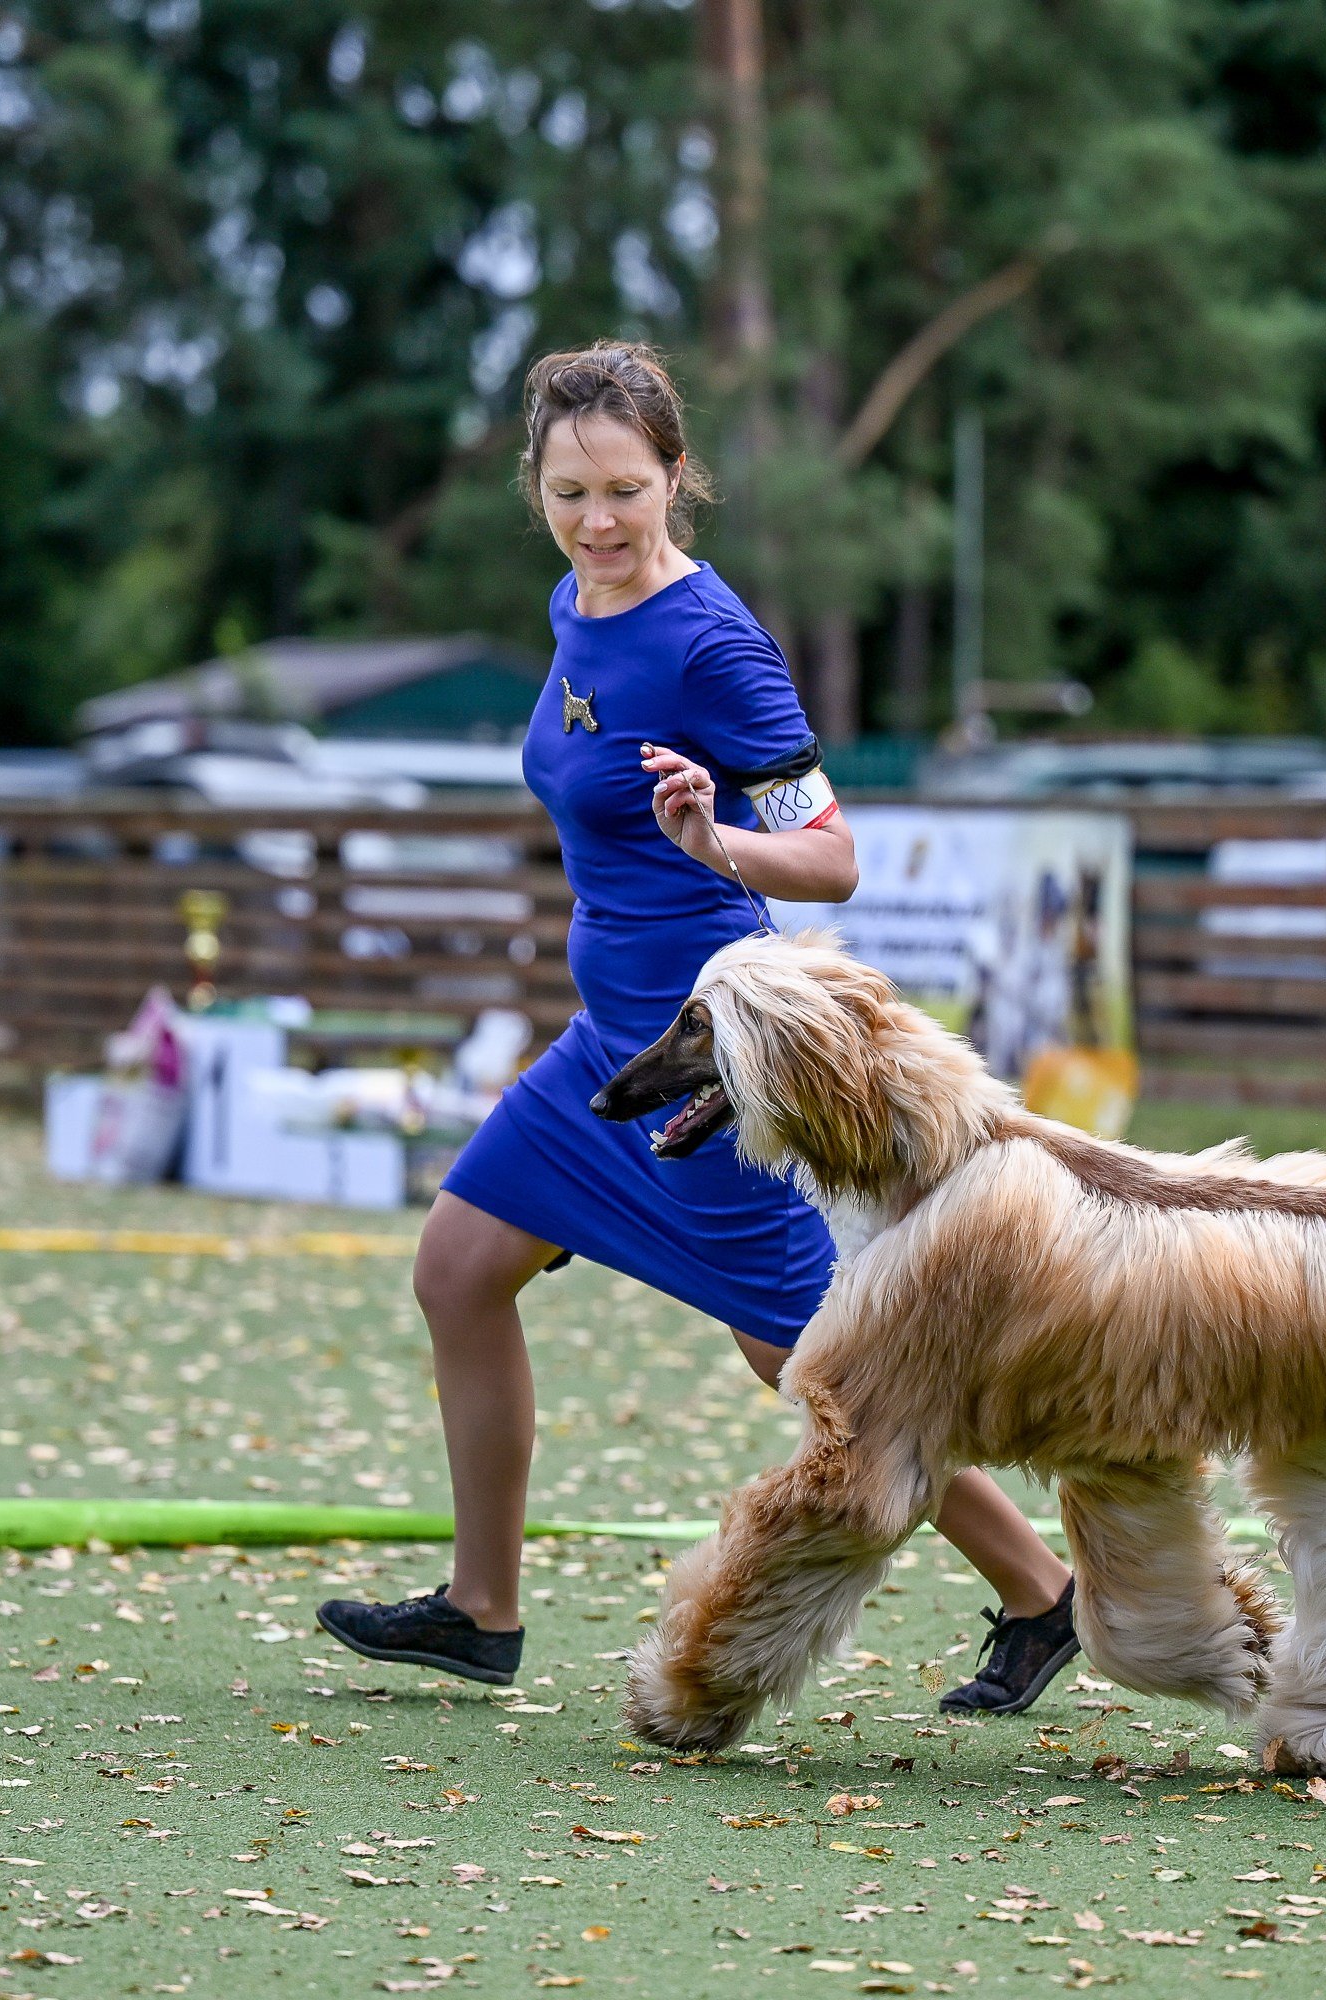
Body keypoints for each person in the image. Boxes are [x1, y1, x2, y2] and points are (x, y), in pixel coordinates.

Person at [319, 343, 1077, 1713]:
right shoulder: (574, 603)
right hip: (602, 1046)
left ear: (677, 476)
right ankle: (482, 1610)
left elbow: (835, 858)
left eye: (624, 490)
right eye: (568, 493)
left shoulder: (715, 645)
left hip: (712, 1063)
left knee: (810, 1359)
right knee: (457, 1268)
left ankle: (1048, 1593)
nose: (597, 522)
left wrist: (717, 839)